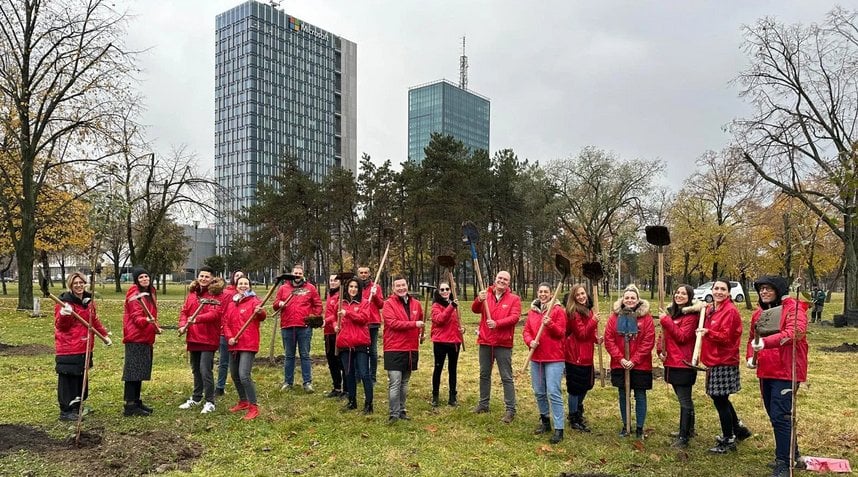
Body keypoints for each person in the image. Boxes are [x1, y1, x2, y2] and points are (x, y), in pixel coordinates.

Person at [747, 276, 809, 477]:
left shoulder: (794, 308)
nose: (763, 292)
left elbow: (795, 332)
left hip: (786, 370)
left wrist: (767, 343)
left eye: (768, 289)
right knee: (775, 416)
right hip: (766, 370)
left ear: (778, 290)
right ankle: (793, 454)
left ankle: (783, 462)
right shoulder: (760, 314)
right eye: (761, 289)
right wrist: (751, 356)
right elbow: (751, 338)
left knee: (780, 416)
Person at [698, 278, 752, 453]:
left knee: (720, 399)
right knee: (720, 398)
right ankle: (738, 429)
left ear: (729, 292)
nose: (719, 292)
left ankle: (728, 440)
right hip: (713, 359)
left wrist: (708, 332)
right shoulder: (713, 308)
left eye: (723, 289)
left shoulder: (730, 311)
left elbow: (726, 337)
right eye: (716, 288)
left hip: (724, 360)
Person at [54, 272, 110, 421]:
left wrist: (104, 335)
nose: (78, 286)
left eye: (81, 283)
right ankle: (66, 411)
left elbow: (94, 321)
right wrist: (64, 314)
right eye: (75, 283)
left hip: (84, 346)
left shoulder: (88, 301)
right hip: (69, 346)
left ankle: (77, 406)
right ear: (70, 286)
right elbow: (61, 326)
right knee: (68, 379)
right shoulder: (64, 302)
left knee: (81, 377)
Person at [604, 284, 654, 439]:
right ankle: (626, 425)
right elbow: (609, 339)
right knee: (623, 394)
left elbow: (648, 341)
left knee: (640, 394)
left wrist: (634, 360)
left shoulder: (646, 318)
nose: (630, 300)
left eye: (633, 297)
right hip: (620, 363)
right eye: (627, 298)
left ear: (638, 299)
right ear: (622, 299)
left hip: (641, 365)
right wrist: (621, 359)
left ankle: (639, 427)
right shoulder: (615, 317)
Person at [471, 270, 522, 423]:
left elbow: (515, 318)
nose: (502, 281)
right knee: (484, 374)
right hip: (485, 341)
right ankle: (483, 403)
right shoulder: (485, 295)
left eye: (505, 279)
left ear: (509, 283)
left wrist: (497, 324)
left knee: (506, 377)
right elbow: (474, 309)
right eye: (500, 278)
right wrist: (479, 300)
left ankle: (510, 409)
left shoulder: (514, 299)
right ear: (495, 279)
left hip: (503, 343)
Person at [657, 284, 704, 448]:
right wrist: (659, 350)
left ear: (690, 297)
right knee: (684, 398)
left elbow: (682, 337)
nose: (679, 295)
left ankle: (684, 437)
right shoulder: (672, 314)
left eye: (684, 293)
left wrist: (666, 320)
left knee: (684, 400)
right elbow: (663, 334)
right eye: (677, 292)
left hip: (683, 363)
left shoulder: (691, 316)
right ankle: (689, 429)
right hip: (671, 361)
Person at [523, 283, 567, 444]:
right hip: (536, 357)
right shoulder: (533, 311)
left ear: (550, 294)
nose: (543, 294)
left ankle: (559, 428)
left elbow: (561, 333)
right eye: (540, 291)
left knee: (553, 392)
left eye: (546, 292)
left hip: (554, 358)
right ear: (537, 293)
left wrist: (550, 324)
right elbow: (526, 331)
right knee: (539, 391)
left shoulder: (557, 311)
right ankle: (545, 421)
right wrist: (530, 341)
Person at [178, 266, 225, 414]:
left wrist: (196, 319)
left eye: (207, 276)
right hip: (193, 337)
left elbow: (215, 314)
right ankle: (196, 397)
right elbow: (185, 311)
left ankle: (210, 401)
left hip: (208, 338)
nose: (203, 279)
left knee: (205, 370)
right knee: (196, 369)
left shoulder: (216, 295)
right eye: (201, 276)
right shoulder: (192, 293)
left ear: (212, 279)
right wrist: (182, 324)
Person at [273, 264, 322, 392]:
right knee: (289, 355)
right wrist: (280, 304)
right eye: (295, 273)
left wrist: (313, 317)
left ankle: (307, 383)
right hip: (287, 326)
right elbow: (275, 304)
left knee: (305, 355)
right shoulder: (283, 288)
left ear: (303, 274)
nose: (297, 275)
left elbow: (318, 304)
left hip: (304, 326)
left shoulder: (310, 288)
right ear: (292, 273)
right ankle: (288, 382)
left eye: (300, 273)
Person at [382, 275, 424, 424]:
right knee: (395, 381)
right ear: (393, 288)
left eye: (403, 285)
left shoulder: (416, 304)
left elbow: (421, 320)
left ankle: (402, 410)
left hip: (411, 348)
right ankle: (393, 414)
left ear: (407, 286)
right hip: (394, 348)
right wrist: (414, 325)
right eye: (398, 286)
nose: (401, 288)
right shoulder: (388, 304)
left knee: (405, 382)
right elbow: (393, 324)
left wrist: (420, 334)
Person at [223, 276, 266, 420]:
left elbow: (262, 316)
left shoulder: (255, 302)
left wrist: (260, 311)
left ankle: (254, 406)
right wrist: (229, 337)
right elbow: (226, 323)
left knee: (244, 375)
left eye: (246, 283)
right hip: (234, 344)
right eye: (240, 283)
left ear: (250, 286)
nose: (243, 286)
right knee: (235, 375)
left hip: (248, 343)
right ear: (236, 286)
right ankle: (243, 401)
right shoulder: (231, 304)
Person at [122, 268, 160, 417]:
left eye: (146, 276)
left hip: (145, 336)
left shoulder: (150, 292)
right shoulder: (134, 293)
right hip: (135, 337)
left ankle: (136, 401)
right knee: (133, 372)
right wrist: (146, 321)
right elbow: (136, 317)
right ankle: (129, 405)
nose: (144, 279)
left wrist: (153, 325)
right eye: (141, 277)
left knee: (140, 370)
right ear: (136, 280)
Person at [335, 277, 374, 414]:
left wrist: (349, 313)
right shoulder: (341, 303)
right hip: (345, 343)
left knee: (364, 373)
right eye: (351, 286)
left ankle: (369, 404)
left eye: (356, 287)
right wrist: (335, 325)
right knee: (348, 373)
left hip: (360, 343)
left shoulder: (364, 303)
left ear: (359, 289)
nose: (353, 289)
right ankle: (352, 401)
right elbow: (335, 318)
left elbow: (364, 319)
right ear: (347, 288)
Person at [564, 284, 600, 433]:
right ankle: (574, 417)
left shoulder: (588, 310)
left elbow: (589, 334)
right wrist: (593, 322)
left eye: (582, 293)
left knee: (585, 385)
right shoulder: (573, 313)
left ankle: (578, 410)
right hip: (575, 355)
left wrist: (597, 338)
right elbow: (581, 334)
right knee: (575, 388)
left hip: (587, 355)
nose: (581, 297)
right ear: (573, 297)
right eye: (577, 295)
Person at [430, 281, 464, 407]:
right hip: (440, 342)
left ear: (451, 290)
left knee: (453, 369)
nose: (445, 291)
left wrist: (462, 330)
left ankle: (452, 396)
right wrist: (451, 307)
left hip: (454, 342)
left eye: (447, 289)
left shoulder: (454, 305)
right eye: (442, 289)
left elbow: (457, 322)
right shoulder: (436, 306)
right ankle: (435, 396)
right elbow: (440, 320)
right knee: (438, 368)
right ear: (438, 292)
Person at [216, 270, 243, 396]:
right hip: (225, 332)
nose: (239, 278)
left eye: (241, 276)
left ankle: (243, 382)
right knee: (224, 360)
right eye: (237, 275)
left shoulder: (248, 294)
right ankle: (220, 386)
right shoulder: (227, 293)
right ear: (233, 278)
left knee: (242, 361)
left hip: (242, 333)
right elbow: (221, 311)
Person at [357, 266, 385, 384]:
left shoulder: (376, 287)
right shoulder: (355, 287)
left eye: (365, 272)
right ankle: (359, 375)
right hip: (359, 321)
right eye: (361, 273)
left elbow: (381, 305)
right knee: (358, 349)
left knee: (372, 350)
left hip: (372, 322)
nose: (363, 274)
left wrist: (374, 295)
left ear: (369, 274)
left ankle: (372, 377)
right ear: (358, 274)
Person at [323, 274, 346, 398]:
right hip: (327, 332)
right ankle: (336, 387)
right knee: (331, 361)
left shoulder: (341, 295)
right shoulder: (329, 294)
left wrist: (326, 321)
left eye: (335, 280)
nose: (332, 282)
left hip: (338, 331)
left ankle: (346, 389)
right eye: (331, 280)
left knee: (341, 361)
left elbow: (337, 314)